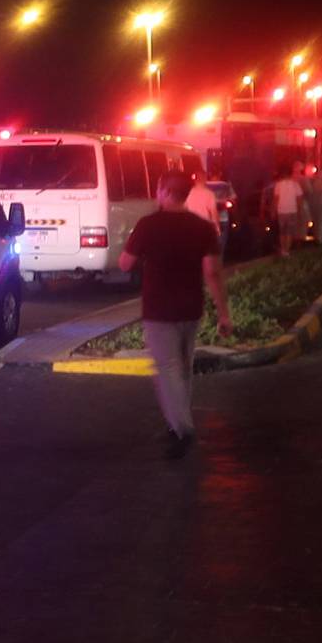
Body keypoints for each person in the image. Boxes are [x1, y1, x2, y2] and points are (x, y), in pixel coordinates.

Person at [117, 167, 233, 456]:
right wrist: (223, 314)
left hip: (159, 309)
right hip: (191, 306)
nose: (156, 195)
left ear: (166, 192)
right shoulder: (202, 227)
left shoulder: (148, 225)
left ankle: (181, 425)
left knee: (167, 368)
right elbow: (213, 273)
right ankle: (177, 422)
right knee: (183, 366)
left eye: (158, 189)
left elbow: (124, 264)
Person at [272, 161, 308, 253]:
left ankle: (283, 249)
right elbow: (299, 199)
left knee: (282, 231)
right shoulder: (295, 185)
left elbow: (275, 199)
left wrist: (273, 211)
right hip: (292, 211)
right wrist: (300, 211)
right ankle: (286, 250)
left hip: (281, 211)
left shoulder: (278, 185)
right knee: (289, 231)